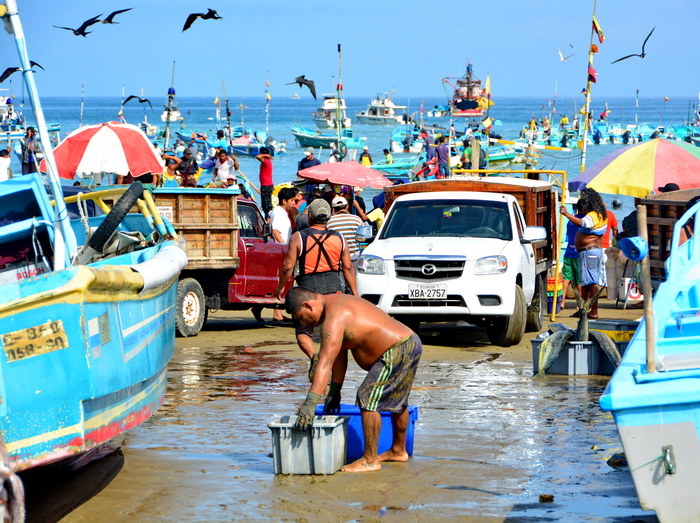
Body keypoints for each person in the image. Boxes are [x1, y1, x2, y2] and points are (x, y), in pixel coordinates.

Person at [286, 287, 421, 473]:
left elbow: (325, 363)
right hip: (409, 342)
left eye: (301, 316)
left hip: (397, 348)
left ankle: (370, 460)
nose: (304, 323)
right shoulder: (334, 301)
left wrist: (310, 403)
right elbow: (339, 354)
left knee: (367, 397)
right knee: (397, 400)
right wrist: (335, 390)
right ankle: (398, 451)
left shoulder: (334, 318)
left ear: (308, 305)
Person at [275, 199, 357, 360]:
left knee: (303, 332)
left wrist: (281, 287)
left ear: (310, 216)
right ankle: (331, 365)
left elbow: (287, 267)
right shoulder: (339, 238)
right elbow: (348, 268)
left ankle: (314, 357)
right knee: (334, 332)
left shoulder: (299, 237)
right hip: (334, 290)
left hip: (307, 291)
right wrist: (354, 293)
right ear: (329, 216)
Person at [559, 187, 608, 319]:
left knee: (592, 283)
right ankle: (583, 309)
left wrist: (566, 214)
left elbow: (582, 223)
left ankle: (593, 311)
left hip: (589, 252)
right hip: (591, 252)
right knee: (586, 283)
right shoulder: (601, 214)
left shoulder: (593, 215)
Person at [328, 195, 364, 280]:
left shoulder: (329, 222)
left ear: (333, 209)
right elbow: (362, 238)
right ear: (347, 207)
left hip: (336, 259)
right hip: (353, 257)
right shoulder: (357, 219)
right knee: (352, 285)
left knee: (340, 286)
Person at [561, 199, 584, 311]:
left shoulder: (570, 221)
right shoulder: (583, 221)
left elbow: (568, 234)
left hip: (568, 252)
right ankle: (579, 303)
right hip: (578, 254)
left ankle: (562, 300)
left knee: (566, 278)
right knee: (579, 279)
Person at [602, 204, 620, 301]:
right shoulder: (610, 214)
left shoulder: (593, 215)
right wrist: (615, 243)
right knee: (606, 271)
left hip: (593, 246)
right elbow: (615, 229)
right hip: (605, 246)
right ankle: (608, 293)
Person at [256, 146, 274, 216]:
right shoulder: (264, 162)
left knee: (267, 206)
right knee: (264, 205)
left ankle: (268, 218)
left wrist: (266, 155)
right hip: (265, 185)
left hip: (266, 186)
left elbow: (257, 156)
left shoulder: (267, 161)